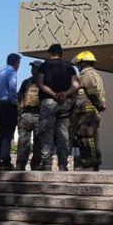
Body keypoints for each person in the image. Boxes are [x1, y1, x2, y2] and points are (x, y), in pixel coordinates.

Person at [36, 43, 80, 171]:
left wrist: (54, 94)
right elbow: (76, 85)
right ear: (61, 54)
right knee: (63, 134)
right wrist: (64, 94)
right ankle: (63, 164)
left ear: (50, 53)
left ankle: (47, 164)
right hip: (65, 102)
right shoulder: (69, 67)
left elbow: (39, 83)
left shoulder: (44, 66)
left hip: (49, 102)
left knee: (46, 133)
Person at [71, 51, 107, 171]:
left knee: (85, 136)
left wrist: (100, 104)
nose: (78, 66)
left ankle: (89, 162)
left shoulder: (87, 75)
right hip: (90, 113)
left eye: (79, 64)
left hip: (87, 112)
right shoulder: (93, 74)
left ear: (83, 63)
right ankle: (94, 161)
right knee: (92, 137)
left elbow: (92, 92)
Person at [0, 53, 20, 171]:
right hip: (9, 105)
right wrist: (15, 102)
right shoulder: (12, 73)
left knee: (0, 133)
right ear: (16, 63)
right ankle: (6, 160)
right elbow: (12, 88)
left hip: (0, 104)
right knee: (8, 134)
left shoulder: (0, 73)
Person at [14, 60, 44, 171]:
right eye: (32, 67)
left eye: (34, 67)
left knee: (28, 142)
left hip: (30, 115)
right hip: (32, 115)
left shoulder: (27, 82)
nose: (32, 70)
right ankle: (32, 165)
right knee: (31, 142)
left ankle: (22, 165)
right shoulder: (44, 82)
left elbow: (18, 96)